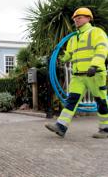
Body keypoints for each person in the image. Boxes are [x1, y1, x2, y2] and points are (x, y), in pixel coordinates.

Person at [45, 7, 108, 138]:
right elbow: (68, 55)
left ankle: (105, 129)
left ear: (88, 18)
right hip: (78, 76)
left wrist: (95, 65)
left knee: (101, 101)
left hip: (94, 74)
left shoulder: (96, 32)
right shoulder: (73, 38)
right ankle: (61, 126)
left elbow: (102, 49)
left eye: (79, 18)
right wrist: (58, 57)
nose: (76, 20)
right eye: (75, 19)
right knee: (71, 100)